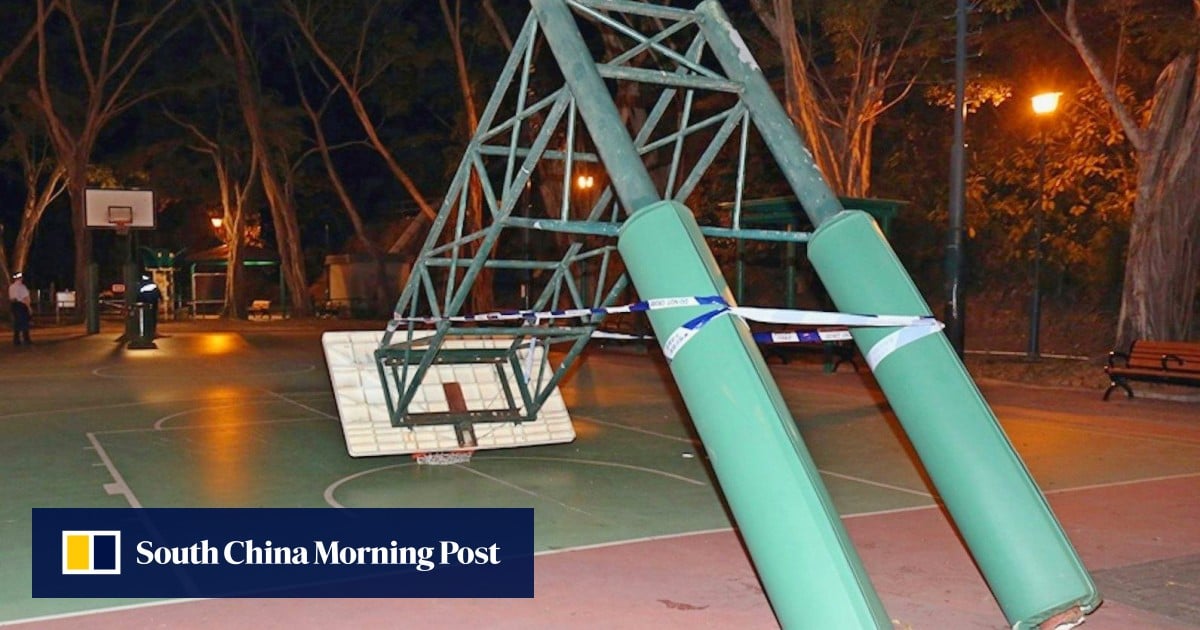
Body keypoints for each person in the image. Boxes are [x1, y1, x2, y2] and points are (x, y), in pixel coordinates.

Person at [8, 272, 32, 346]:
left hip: (14, 305)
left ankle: (16, 340)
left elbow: (11, 298)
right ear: (20, 278)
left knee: (17, 323)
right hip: (21, 305)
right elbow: (26, 298)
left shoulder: (11, 287)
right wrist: (29, 307)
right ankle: (26, 339)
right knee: (25, 322)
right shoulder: (22, 287)